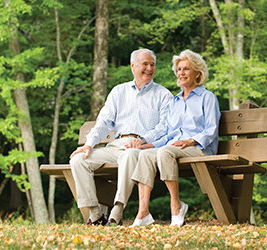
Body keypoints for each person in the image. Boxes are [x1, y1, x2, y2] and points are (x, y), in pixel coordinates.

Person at [69, 48, 173, 226]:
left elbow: (164, 127)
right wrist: (89, 144)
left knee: (129, 155)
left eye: (152, 65)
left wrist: (143, 140)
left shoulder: (163, 95)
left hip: (144, 149)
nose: (149, 68)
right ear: (133, 66)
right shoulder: (119, 92)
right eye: (145, 64)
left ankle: (117, 210)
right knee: (78, 159)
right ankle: (95, 214)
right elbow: (103, 122)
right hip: (116, 145)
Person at [130, 49, 221, 226]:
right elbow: (169, 134)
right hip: (174, 149)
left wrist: (190, 141)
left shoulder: (207, 98)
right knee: (145, 155)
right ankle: (143, 212)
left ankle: (176, 206)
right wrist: (149, 145)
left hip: (200, 149)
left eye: (186, 69)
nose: (181, 73)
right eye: (179, 69)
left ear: (198, 73)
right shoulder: (175, 101)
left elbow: (211, 130)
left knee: (164, 152)